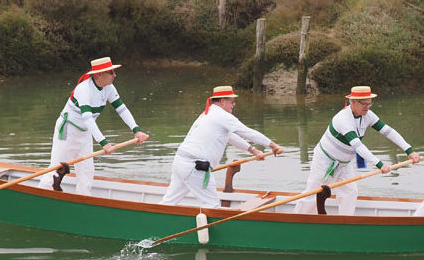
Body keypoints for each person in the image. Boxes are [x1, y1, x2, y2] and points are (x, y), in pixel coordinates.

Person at [295, 85, 422, 215]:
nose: (367, 107)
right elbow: (358, 146)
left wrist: (409, 151)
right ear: (353, 102)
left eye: (369, 103)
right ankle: (296, 220)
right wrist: (379, 164)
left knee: (350, 192)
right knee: (312, 196)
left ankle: (345, 222)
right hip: (325, 161)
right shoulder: (343, 119)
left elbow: (388, 131)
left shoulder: (367, 115)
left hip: (344, 163)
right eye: (364, 104)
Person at [38, 57, 149, 196]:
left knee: (87, 173)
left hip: (84, 133)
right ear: (99, 74)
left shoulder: (108, 87)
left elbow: (122, 109)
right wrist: (104, 143)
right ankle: (41, 195)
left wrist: (136, 130)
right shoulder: (84, 89)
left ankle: (82, 201)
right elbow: (88, 119)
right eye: (111, 72)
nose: (115, 75)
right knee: (55, 169)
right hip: (67, 131)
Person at [160, 85, 283, 208]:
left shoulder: (207, 114)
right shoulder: (222, 116)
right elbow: (247, 132)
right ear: (222, 101)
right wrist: (273, 145)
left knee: (169, 202)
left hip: (181, 162)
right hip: (196, 167)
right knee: (212, 205)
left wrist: (253, 150)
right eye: (232, 101)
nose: (234, 104)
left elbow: (229, 137)